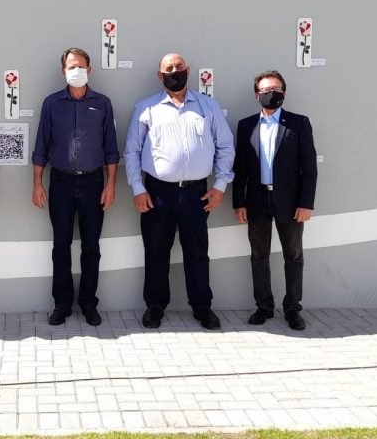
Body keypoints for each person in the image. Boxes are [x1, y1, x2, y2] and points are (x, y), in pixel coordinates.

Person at [124, 53, 234, 330]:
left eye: (179, 68)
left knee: (197, 252)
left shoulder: (209, 107)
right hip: (157, 193)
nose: (175, 72)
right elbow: (132, 151)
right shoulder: (146, 108)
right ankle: (155, 307)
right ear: (159, 76)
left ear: (189, 70)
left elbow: (225, 148)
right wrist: (138, 189)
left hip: (197, 193)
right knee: (156, 252)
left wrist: (220, 186)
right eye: (169, 69)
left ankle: (202, 308)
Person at [32, 48, 120, 327]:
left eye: (81, 66)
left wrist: (111, 186)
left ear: (89, 70)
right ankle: (62, 304)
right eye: (71, 67)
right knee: (61, 246)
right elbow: (41, 147)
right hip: (60, 182)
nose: (76, 71)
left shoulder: (103, 103)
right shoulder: (51, 104)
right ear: (64, 71)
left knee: (91, 247)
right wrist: (37, 183)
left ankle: (88, 304)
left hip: (94, 183)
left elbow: (111, 150)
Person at [232, 70, 317, 331]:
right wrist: (239, 202)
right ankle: (264, 307)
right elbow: (241, 168)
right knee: (259, 256)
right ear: (257, 95)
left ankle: (293, 309)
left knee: (293, 256)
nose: (272, 94)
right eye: (267, 90)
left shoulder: (299, 123)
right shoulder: (246, 125)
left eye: (277, 89)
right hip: (257, 199)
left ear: (284, 92)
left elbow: (309, 168)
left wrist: (306, 203)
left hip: (290, 202)